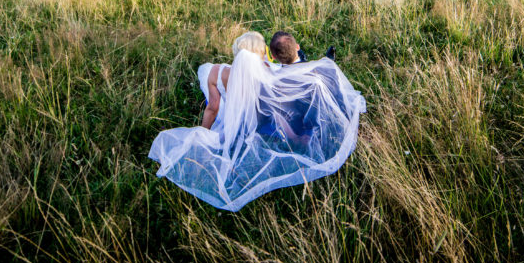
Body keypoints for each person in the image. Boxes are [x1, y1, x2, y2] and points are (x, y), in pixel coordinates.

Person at [148, 30, 366, 212]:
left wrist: (204, 131)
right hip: (260, 120)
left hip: (236, 118)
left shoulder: (216, 71)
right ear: (259, 54)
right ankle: (316, 67)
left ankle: (311, 66)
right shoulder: (264, 74)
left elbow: (213, 108)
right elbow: (278, 103)